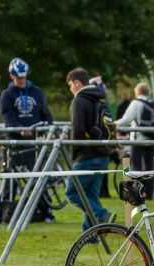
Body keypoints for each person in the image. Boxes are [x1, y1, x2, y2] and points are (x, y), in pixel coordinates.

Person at [0, 57, 55, 223]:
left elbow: (46, 113)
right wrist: (20, 130)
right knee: (12, 179)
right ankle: (3, 213)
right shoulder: (7, 95)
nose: (21, 81)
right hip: (16, 144)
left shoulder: (37, 92)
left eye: (23, 77)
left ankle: (45, 212)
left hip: (36, 143)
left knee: (39, 178)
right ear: (11, 76)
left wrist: (50, 128)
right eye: (18, 78)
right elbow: (8, 117)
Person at [65, 67, 115, 232]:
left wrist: (73, 154)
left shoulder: (79, 100)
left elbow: (78, 130)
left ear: (77, 83)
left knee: (72, 191)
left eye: (70, 85)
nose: (71, 89)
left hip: (86, 155)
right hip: (103, 154)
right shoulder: (100, 99)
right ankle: (90, 234)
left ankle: (102, 215)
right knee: (90, 195)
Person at [114, 82, 154, 199]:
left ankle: (137, 193)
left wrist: (113, 124)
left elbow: (126, 119)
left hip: (138, 140)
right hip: (151, 139)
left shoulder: (136, 103)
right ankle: (149, 192)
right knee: (150, 167)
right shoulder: (153, 104)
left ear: (137, 92)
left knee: (136, 167)